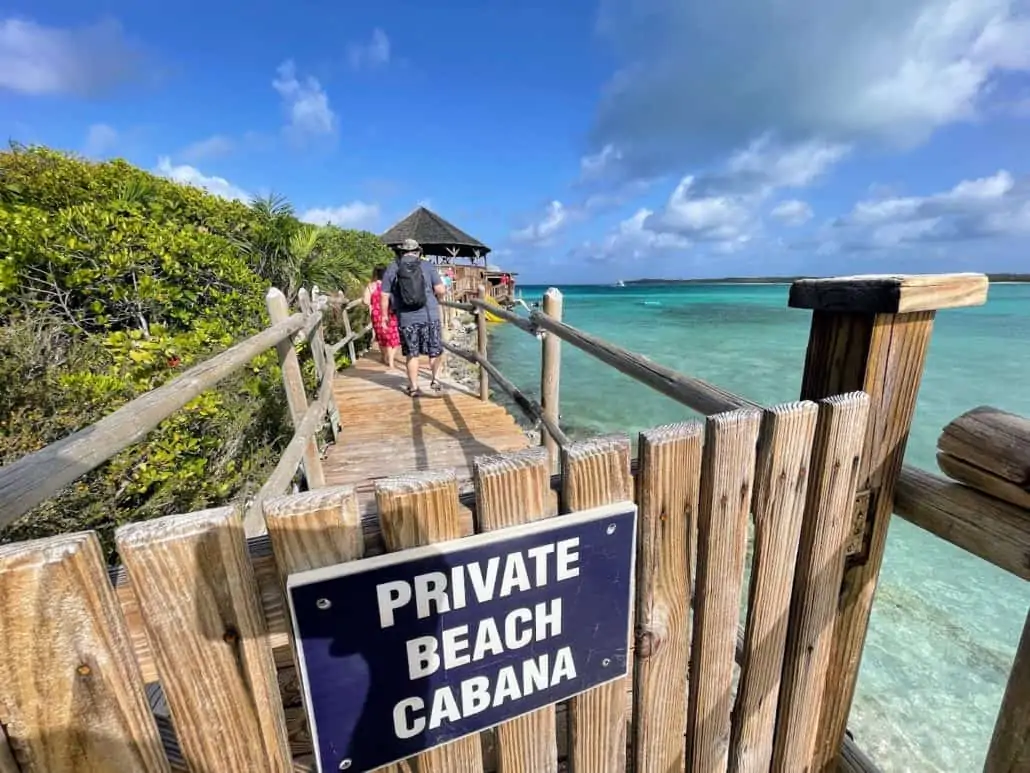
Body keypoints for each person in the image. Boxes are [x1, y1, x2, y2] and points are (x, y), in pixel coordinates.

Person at [381, 239, 446, 397]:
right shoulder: (428, 266)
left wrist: (384, 316)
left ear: (402, 252)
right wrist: (440, 297)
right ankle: (435, 380)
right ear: (418, 251)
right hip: (430, 316)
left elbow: (384, 294)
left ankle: (414, 387)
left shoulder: (393, 267)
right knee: (434, 351)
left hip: (406, 318)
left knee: (412, 354)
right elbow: (440, 289)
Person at [363, 265, 400, 369]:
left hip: (376, 314)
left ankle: (384, 356)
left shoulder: (371, 286)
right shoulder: (390, 285)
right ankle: (391, 361)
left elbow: (365, 301)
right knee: (393, 337)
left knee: (381, 337)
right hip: (389, 312)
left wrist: (373, 302)